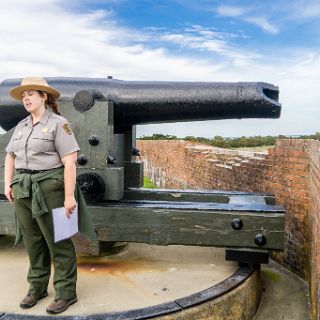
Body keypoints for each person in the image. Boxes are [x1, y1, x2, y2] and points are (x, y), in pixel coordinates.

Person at [4, 77, 95, 314]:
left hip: (50, 189)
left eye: (31, 93)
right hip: (23, 188)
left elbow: (70, 162)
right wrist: (7, 184)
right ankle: (37, 288)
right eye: (24, 95)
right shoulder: (22, 126)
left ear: (44, 97)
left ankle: (66, 293)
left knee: (59, 241)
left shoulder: (58, 124)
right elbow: (10, 156)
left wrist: (69, 196)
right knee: (33, 242)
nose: (26, 98)